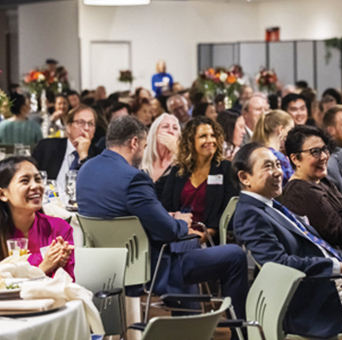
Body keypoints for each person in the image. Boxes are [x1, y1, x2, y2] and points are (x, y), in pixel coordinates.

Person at [77, 115, 248, 322]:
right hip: (148, 267)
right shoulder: (134, 178)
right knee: (234, 255)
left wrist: (167, 218)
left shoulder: (85, 170)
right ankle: (231, 333)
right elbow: (170, 231)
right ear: (134, 143)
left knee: (187, 245)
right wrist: (182, 223)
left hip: (103, 266)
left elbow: (125, 215)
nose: (143, 151)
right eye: (144, 145)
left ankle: (189, 328)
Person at [232, 143, 342, 340]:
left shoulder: (271, 205)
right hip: (315, 301)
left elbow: (318, 243)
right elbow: (278, 265)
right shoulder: (250, 214)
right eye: (268, 167)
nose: (277, 172)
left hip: (336, 287)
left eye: (277, 165)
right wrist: (334, 266)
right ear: (244, 177)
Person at [282, 125, 342, 247]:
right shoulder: (300, 191)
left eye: (324, 150)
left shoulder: (321, 181)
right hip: (335, 262)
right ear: (295, 159)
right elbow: (341, 233)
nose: (324, 156)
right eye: (315, 152)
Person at [158, 116, 238, 244]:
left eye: (213, 135)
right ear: (190, 141)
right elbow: (167, 206)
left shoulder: (226, 169)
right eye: (203, 136)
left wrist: (208, 233)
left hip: (213, 240)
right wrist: (183, 230)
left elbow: (228, 209)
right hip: (180, 235)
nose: (210, 140)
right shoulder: (179, 170)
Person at [0, 156, 75, 280]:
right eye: (25, 181)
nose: (35, 186)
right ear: (3, 194)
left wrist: (61, 265)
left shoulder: (59, 229)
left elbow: (68, 283)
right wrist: (42, 269)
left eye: (38, 179)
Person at [32, 105, 102, 195]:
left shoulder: (100, 156)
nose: (86, 128)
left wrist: (84, 156)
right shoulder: (46, 147)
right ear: (68, 127)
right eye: (81, 122)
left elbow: (96, 189)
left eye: (91, 124)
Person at [250, 110, 295, 186]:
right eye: (291, 129)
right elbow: (291, 185)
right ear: (280, 129)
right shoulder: (278, 157)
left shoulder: (254, 153)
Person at [139, 113, 180, 183]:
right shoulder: (141, 161)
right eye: (165, 127)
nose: (171, 131)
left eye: (175, 128)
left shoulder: (180, 165)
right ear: (154, 133)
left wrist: (177, 151)